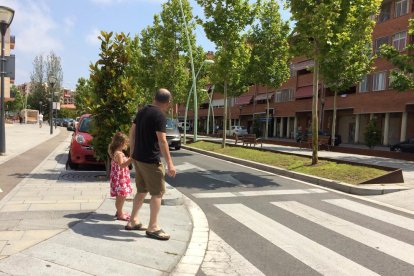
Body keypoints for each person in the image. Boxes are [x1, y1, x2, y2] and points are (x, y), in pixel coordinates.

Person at [126, 88, 176, 241]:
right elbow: (162, 141)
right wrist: (170, 164)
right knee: (157, 193)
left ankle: (133, 220)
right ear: (168, 103)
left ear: (154, 98)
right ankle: (153, 227)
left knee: (141, 191)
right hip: (150, 160)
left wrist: (132, 154)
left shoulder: (142, 111)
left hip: (139, 159)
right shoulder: (160, 115)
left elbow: (131, 133)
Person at [108, 132, 133, 221]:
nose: (126, 145)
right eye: (126, 143)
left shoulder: (118, 152)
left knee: (121, 196)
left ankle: (119, 211)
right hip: (120, 178)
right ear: (121, 143)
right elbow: (122, 165)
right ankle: (120, 214)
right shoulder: (119, 154)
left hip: (120, 177)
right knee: (121, 197)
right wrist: (131, 159)